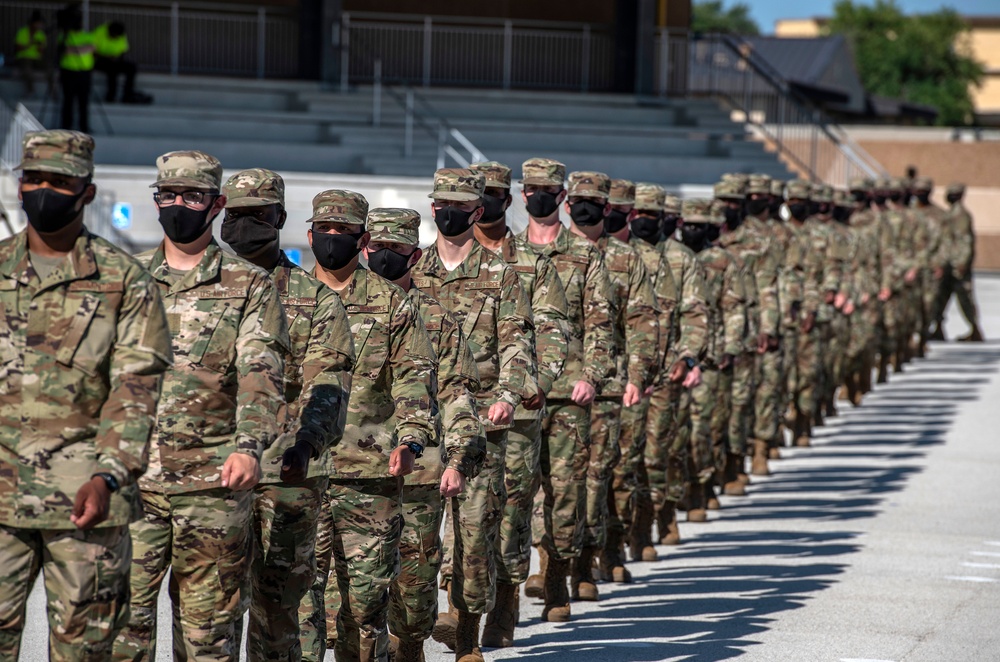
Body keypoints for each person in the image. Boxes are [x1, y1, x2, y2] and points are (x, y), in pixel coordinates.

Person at [0, 130, 172, 660]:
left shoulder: (126, 281)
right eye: (34, 179)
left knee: (85, 651)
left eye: (61, 181)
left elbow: (135, 389)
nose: (44, 190)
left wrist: (109, 475)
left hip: (86, 504)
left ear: (88, 191)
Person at [113, 151, 289, 662]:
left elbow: (262, 374)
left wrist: (250, 446)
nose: (178, 205)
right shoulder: (127, 278)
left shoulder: (249, 285)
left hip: (213, 487)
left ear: (215, 205)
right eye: (168, 196)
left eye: (192, 196)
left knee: (207, 637)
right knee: (123, 630)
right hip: (133, 483)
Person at [219, 169, 355, 661]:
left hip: (286, 473)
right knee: (213, 608)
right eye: (237, 215)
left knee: (280, 610)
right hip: (207, 473)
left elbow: (329, 384)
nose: (246, 226)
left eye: (258, 216)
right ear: (220, 214)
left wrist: (307, 443)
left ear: (279, 218)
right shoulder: (190, 291)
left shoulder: (315, 299)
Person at [299, 190, 437, 662]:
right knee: (300, 602)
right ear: (310, 233)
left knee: (364, 606)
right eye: (326, 229)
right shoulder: (288, 297)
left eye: (344, 231)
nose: (332, 238)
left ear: (362, 240)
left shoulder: (392, 304)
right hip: (299, 471)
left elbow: (414, 378)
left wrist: (413, 439)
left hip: (370, 473)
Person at [413, 169, 537, 661]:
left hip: (481, 420)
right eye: (441, 203)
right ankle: (414, 630)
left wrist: (508, 394)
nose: (449, 213)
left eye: (459, 205)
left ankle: (465, 634)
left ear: (477, 212)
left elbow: (517, 342)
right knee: (419, 534)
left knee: (473, 531)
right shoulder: (411, 270)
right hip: (419, 418)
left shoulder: (501, 275)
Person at [362, 208, 485, 662]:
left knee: (414, 589)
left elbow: (457, 393)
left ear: (414, 255)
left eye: (396, 251)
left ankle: (409, 646)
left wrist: (456, 459)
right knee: (351, 591)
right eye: (378, 249)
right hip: (349, 473)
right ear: (364, 248)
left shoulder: (436, 318)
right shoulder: (333, 307)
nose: (385, 259)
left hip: (419, 470)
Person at [469, 160, 570, 647]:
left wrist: (539, 382)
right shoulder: (429, 264)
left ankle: (504, 608)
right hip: (457, 411)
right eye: (475, 194)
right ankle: (460, 610)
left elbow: (551, 331)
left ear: (506, 201)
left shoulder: (532, 263)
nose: (483, 203)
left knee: (510, 511)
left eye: (491, 194)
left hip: (520, 409)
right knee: (463, 513)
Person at [517, 158, 614, 623]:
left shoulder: (585, 255)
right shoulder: (508, 255)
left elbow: (600, 323)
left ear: (562, 198)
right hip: (520, 393)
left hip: (568, 393)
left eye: (548, 189)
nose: (540, 196)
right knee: (519, 490)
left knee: (566, 490)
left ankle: (557, 575)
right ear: (522, 196)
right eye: (532, 188)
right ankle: (527, 569)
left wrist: (591, 376)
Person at [563, 171, 659, 601]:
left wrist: (638, 377)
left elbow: (641, 322)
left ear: (609, 208)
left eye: (593, 200)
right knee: (554, 484)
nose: (584, 207)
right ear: (567, 203)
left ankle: (586, 562)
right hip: (550, 388)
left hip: (606, 386)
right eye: (577, 199)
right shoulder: (545, 255)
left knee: (598, 476)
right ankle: (550, 567)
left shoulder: (625, 260)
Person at [936, 183, 983, 342]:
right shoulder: (949, 215)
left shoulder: (961, 216)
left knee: (965, 299)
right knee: (941, 298)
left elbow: (965, 241)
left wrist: (962, 263)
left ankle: (975, 330)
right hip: (948, 264)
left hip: (958, 266)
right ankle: (937, 328)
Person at [57, 6, 93, 133]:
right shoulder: (64, 35)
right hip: (68, 71)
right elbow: (64, 50)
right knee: (68, 100)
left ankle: (84, 127)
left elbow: (91, 48)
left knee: (83, 101)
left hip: (84, 72)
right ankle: (66, 126)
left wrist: (74, 49)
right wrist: (80, 49)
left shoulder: (87, 35)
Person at [93, 21, 149, 103]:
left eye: (117, 37)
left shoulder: (121, 35)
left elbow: (123, 51)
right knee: (112, 68)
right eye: (114, 36)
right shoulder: (99, 32)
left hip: (114, 61)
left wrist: (116, 58)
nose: (115, 38)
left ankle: (127, 95)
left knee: (131, 67)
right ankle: (110, 96)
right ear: (110, 32)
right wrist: (107, 57)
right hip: (100, 61)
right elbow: (92, 52)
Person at [14, 11, 47, 97]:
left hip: (37, 59)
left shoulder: (41, 34)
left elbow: (42, 51)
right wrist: (30, 43)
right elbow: (18, 48)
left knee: (50, 68)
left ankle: (53, 93)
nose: (39, 26)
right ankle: (30, 91)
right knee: (27, 70)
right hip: (23, 57)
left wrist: (40, 46)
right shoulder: (22, 32)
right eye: (37, 23)